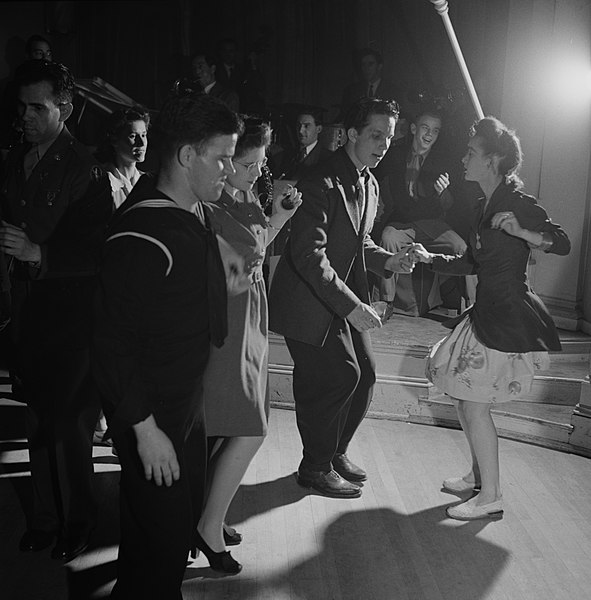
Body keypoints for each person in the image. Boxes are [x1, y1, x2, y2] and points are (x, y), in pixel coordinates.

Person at [92, 93, 245, 598]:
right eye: (221, 157)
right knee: (158, 554)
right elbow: (110, 342)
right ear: (185, 156)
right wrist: (144, 430)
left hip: (182, 405)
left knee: (158, 543)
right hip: (152, 417)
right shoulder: (142, 233)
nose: (230, 168)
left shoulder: (190, 210)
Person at [417, 116, 570, 520]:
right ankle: (479, 477)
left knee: (474, 404)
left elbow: (562, 242)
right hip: (486, 311)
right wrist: (428, 258)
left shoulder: (518, 203)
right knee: (466, 400)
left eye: (471, 152)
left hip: (505, 317)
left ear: (493, 160)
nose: (464, 158)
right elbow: (471, 261)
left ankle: (491, 497)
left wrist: (524, 233)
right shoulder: (485, 204)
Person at [269, 98, 417, 499]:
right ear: (352, 134)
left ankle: (333, 453)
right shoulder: (318, 180)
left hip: (341, 295)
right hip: (307, 299)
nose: (384, 143)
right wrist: (352, 306)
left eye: (389, 135)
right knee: (339, 375)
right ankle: (314, 467)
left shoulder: (368, 180)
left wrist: (391, 262)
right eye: (375, 134)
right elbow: (308, 256)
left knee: (366, 374)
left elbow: (359, 241)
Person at [0, 59, 113, 561]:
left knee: (70, 428)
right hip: (25, 315)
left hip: (70, 322)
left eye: (36, 107)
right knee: (36, 424)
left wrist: (38, 255)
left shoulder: (85, 168)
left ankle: (78, 523)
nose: (24, 116)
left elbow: (98, 252)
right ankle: (45, 519)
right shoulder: (15, 160)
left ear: (65, 108)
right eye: (21, 106)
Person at [198, 116, 301, 572]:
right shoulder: (210, 203)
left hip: (252, 316)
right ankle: (205, 524)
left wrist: (279, 216)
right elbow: (232, 266)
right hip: (227, 320)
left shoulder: (246, 195)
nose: (256, 172)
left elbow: (256, 253)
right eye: (245, 163)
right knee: (247, 426)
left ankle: (208, 518)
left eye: (260, 163)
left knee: (246, 422)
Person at [372, 110, 468, 316]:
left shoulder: (443, 161)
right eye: (425, 128)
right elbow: (375, 175)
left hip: (432, 225)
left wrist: (443, 193)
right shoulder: (396, 154)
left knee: (461, 247)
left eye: (435, 131)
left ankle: (468, 306)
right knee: (388, 237)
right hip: (402, 222)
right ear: (414, 129)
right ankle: (385, 303)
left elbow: (449, 205)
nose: (429, 135)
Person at [95, 107, 150, 208]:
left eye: (143, 135)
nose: (141, 143)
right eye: (133, 136)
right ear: (114, 140)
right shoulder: (103, 183)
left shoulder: (147, 183)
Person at [338, 48, 403, 122]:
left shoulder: (392, 90)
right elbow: (345, 115)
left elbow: (399, 116)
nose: (366, 68)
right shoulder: (352, 91)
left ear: (379, 66)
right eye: (363, 64)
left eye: (370, 64)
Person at [274, 107, 333, 182]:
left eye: (306, 126)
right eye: (298, 125)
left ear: (319, 129)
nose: (300, 131)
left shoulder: (328, 159)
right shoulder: (284, 156)